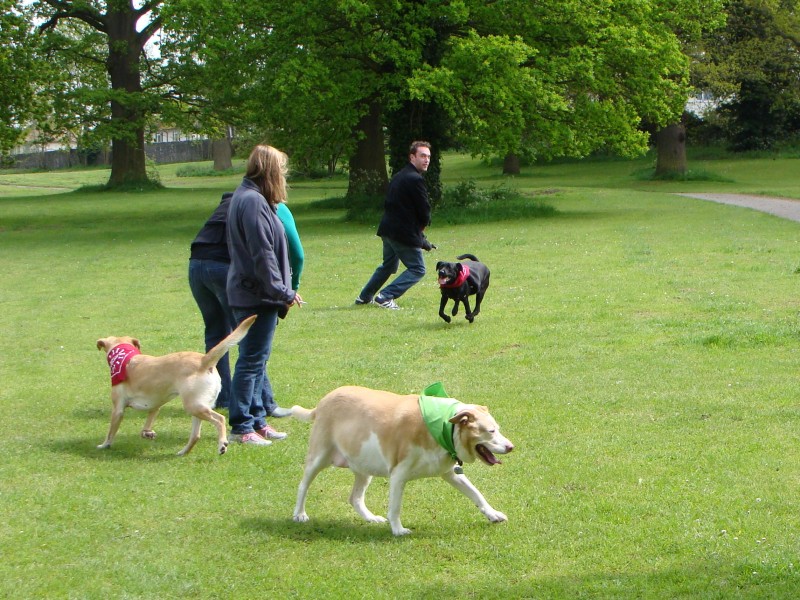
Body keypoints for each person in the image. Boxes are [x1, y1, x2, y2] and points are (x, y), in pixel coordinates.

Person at [188, 193, 304, 421]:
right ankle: (263, 404)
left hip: (196, 265)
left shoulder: (232, 200)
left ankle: (223, 396)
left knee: (216, 334)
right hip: (223, 268)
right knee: (250, 340)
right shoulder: (267, 203)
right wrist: (290, 289)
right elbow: (297, 254)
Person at [226, 144, 303, 446]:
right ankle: (242, 426)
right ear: (270, 170)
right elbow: (262, 254)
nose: (283, 175)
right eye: (281, 169)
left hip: (253, 293)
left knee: (257, 359)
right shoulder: (253, 201)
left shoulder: (251, 197)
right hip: (255, 296)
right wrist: (283, 291)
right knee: (251, 360)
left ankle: (257, 420)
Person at [356, 141, 434, 309]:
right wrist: (421, 236)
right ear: (412, 157)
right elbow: (424, 212)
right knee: (418, 269)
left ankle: (364, 296)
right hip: (401, 232)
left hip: (388, 229)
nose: (426, 160)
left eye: (428, 156)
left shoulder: (400, 175)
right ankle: (385, 296)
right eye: (422, 156)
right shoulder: (415, 179)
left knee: (389, 265)